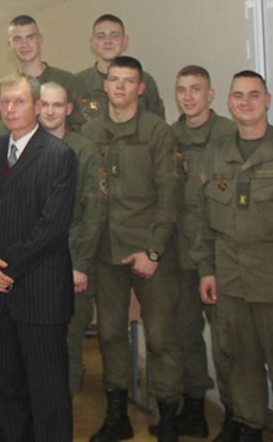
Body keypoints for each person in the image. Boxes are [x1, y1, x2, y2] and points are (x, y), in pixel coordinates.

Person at [194, 70, 273, 442]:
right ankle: (249, 428)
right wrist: (206, 269)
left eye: (254, 94)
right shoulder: (216, 155)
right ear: (229, 102)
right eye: (239, 95)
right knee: (240, 366)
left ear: (267, 100)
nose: (246, 102)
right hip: (232, 287)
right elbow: (202, 220)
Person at [80, 56, 180, 442]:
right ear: (105, 85)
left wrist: (153, 251)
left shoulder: (157, 131)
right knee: (109, 335)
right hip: (106, 253)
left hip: (148, 252)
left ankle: (168, 418)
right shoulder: (90, 132)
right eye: (114, 79)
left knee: (161, 337)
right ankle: (117, 416)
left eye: (128, 81)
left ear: (141, 88)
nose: (120, 86)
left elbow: (168, 195)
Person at [0, 73, 78, 442]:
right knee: (5, 387)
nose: (10, 108)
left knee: (47, 391)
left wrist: (6, 266)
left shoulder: (58, 154)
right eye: (4, 102)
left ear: (37, 106)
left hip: (40, 293)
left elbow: (53, 227)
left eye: (19, 101)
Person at [152, 65, 237, 440]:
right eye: (182, 89)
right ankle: (196, 409)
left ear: (211, 94)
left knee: (227, 344)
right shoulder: (169, 136)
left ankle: (237, 417)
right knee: (186, 336)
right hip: (180, 256)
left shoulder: (230, 136)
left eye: (196, 89)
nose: (188, 97)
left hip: (220, 258)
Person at [36, 82, 107, 399]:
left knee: (68, 341)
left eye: (57, 105)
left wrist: (80, 264)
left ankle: (62, 410)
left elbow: (94, 211)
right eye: (44, 104)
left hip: (71, 262)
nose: (50, 111)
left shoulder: (84, 150)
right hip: (32, 265)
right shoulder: (23, 146)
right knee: (35, 343)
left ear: (68, 109)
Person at [72, 14, 165, 131]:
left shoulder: (144, 80)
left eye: (114, 35)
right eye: (101, 36)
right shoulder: (77, 82)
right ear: (93, 43)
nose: (108, 41)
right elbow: (71, 131)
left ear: (125, 41)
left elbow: (158, 127)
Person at [6, 15, 79, 128]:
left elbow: (76, 126)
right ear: (9, 45)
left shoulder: (66, 80)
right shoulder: (4, 87)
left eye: (31, 37)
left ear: (40, 40)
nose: (25, 45)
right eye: (18, 39)